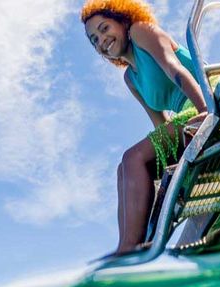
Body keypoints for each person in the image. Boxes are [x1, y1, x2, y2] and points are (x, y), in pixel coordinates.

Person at [82, 0, 208, 254]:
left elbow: (177, 70)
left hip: (203, 99)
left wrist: (206, 110)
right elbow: (161, 126)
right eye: (94, 40)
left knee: (132, 157)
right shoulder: (130, 79)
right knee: (124, 168)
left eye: (105, 28)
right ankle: (131, 242)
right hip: (184, 122)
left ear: (123, 19)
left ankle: (129, 248)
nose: (101, 40)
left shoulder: (141, 31)